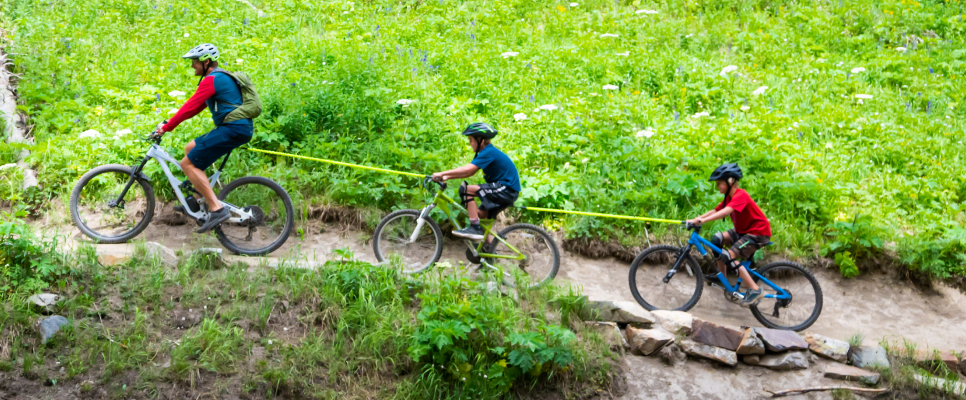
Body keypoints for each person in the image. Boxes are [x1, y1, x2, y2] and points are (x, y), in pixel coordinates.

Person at [152, 44, 254, 233]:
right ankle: (199, 201)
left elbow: (190, 106)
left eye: (195, 62)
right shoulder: (218, 78)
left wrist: (166, 128)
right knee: (190, 149)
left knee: (187, 164)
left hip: (233, 129)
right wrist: (169, 124)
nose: (192, 66)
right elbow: (197, 107)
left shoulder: (212, 79)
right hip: (236, 128)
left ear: (206, 62)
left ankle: (217, 209)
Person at [687, 163, 772, 307]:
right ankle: (723, 277)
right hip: (743, 231)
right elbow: (716, 210)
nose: (718, 186)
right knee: (716, 240)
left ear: (730, 181)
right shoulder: (728, 198)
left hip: (757, 233)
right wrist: (697, 219)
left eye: (719, 183)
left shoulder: (741, 195)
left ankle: (755, 289)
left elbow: (726, 212)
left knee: (729, 255)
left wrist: (703, 220)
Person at [432, 123, 521, 240]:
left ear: (481, 141)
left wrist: (442, 173)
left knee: (466, 189)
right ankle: (487, 249)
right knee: (481, 214)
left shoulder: (489, 152)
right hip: (504, 189)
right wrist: (448, 176)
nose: (469, 143)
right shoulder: (488, 152)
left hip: (506, 189)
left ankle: (474, 227)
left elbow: (469, 170)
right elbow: (469, 172)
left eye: (470, 140)